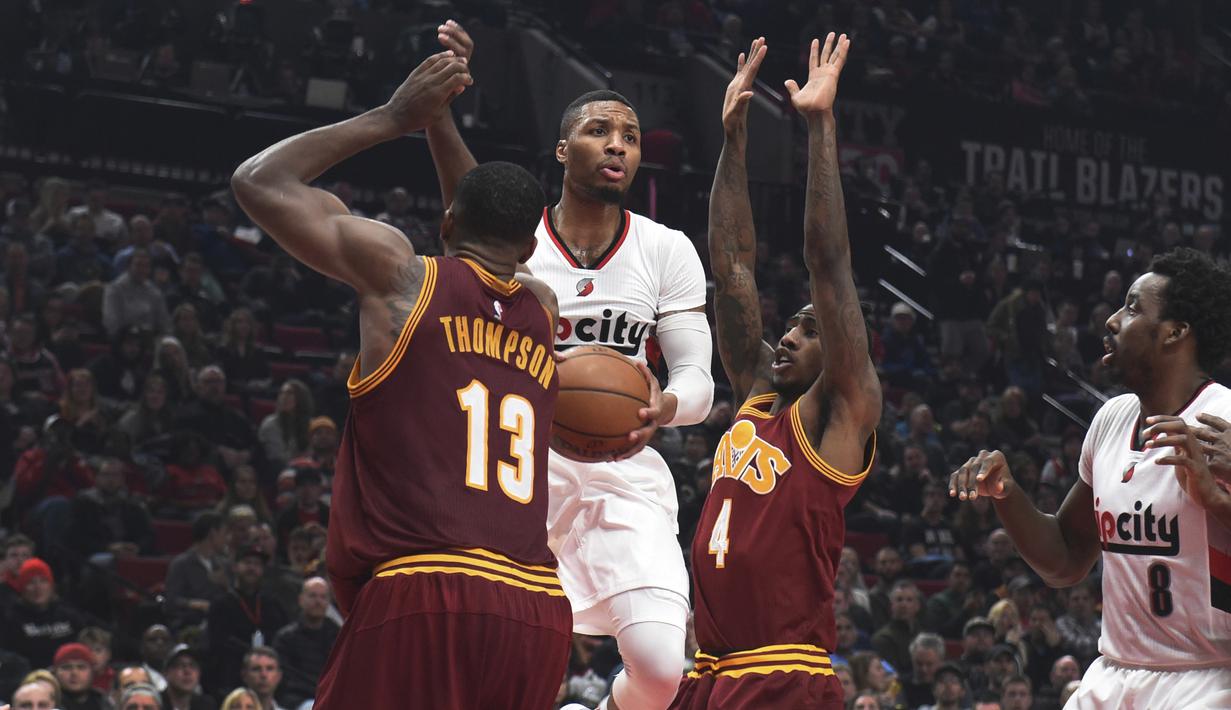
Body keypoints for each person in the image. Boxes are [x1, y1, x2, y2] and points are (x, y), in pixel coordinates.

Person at [231, 49, 570, 709]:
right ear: (529, 248)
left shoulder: (402, 278)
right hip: (536, 608)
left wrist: (396, 118)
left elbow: (258, 181)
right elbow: (480, 223)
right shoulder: (543, 308)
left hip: (426, 585)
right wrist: (441, 124)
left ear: (446, 224)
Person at [424, 22, 714, 710]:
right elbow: (459, 200)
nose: (617, 143)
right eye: (598, 130)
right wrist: (439, 104)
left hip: (623, 470)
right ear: (562, 149)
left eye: (631, 136)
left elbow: (698, 380)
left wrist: (667, 405)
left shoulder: (665, 249)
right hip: (518, 468)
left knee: (660, 669)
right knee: (486, 658)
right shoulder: (518, 240)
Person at [670, 34, 880, 709]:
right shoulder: (759, 396)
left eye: (809, 328)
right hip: (710, 667)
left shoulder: (838, 410)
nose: (788, 335)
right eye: (788, 325)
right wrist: (731, 141)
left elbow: (828, 264)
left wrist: (819, 126)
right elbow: (731, 266)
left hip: (781, 670)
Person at [950, 247, 1231, 708]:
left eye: (1133, 307)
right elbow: (1065, 560)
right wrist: (1007, 493)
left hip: (1207, 678)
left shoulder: (1223, 417)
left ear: (1176, 332)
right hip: (1113, 674)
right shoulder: (1111, 420)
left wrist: (1218, 502)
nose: (1112, 319)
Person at [271, 578, 339, 708]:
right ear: (301, 600)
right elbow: (283, 679)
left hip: (331, 696)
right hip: (298, 700)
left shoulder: (337, 635)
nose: (318, 601)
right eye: (312, 596)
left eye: (323, 597)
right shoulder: (286, 638)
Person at [51, 643, 108, 710]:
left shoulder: (104, 702)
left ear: (92, 671)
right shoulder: (45, 703)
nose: (74, 673)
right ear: (55, 672)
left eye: (81, 667)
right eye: (66, 667)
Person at [162, 645, 215, 710]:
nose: (188, 671)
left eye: (193, 665)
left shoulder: (206, 705)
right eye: (180, 665)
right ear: (166, 673)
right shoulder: (154, 704)